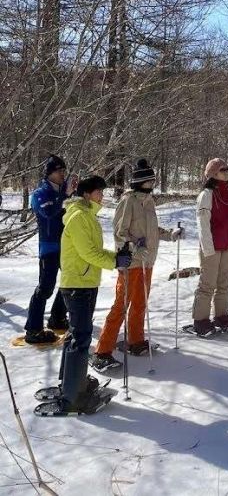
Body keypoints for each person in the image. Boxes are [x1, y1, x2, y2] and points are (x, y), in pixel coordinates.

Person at [90, 159, 185, 370]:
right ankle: (103, 349)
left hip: (147, 262)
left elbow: (151, 230)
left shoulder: (148, 201)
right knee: (121, 305)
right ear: (140, 181)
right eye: (149, 181)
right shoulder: (128, 200)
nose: (152, 184)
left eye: (153, 181)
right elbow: (119, 232)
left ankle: (135, 340)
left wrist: (170, 234)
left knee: (141, 302)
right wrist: (132, 247)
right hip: (132, 262)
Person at [53, 175, 132, 414]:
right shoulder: (79, 217)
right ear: (88, 194)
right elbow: (87, 252)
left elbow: (94, 250)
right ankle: (73, 396)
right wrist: (115, 261)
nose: (102, 196)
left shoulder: (88, 216)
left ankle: (70, 383)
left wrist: (116, 256)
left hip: (85, 282)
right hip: (78, 284)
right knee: (81, 338)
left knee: (76, 336)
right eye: (99, 192)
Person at [191, 157, 228, 335]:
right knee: (207, 284)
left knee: (225, 283)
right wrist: (207, 249)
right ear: (213, 174)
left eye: (227, 169)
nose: (227, 172)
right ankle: (200, 319)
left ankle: (222, 316)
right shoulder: (206, 195)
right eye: (223, 170)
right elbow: (203, 224)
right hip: (212, 247)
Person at [24, 155, 78, 344]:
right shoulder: (40, 193)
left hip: (66, 246)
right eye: (59, 171)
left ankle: (57, 317)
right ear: (49, 173)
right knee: (45, 288)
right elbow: (47, 212)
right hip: (48, 247)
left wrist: (72, 195)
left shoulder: (64, 192)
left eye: (64, 171)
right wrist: (65, 196)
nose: (63, 174)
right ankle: (33, 329)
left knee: (69, 283)